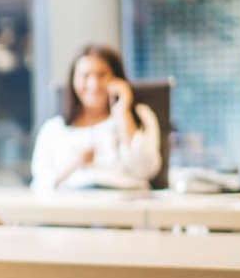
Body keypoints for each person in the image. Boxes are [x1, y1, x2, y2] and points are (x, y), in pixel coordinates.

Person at [30, 43, 161, 191]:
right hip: (75, 204)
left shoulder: (140, 116)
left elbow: (147, 170)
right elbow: (39, 185)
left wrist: (123, 114)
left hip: (125, 202)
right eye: (85, 76)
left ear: (116, 78)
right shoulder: (54, 129)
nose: (94, 85)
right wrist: (75, 164)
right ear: (73, 81)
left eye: (102, 75)